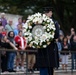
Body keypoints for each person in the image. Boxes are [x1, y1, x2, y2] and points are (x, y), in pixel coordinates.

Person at [36, 7, 59, 75]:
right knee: (44, 66)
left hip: (50, 46)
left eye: (48, 12)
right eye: (45, 12)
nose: (46, 14)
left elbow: (56, 35)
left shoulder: (54, 22)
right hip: (44, 47)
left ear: (51, 13)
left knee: (49, 67)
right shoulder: (39, 22)